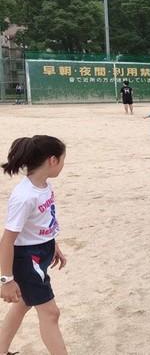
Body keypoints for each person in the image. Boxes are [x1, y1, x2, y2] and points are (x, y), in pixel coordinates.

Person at [0, 136, 68, 355]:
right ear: (52, 160)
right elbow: (7, 240)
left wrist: (52, 243)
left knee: (23, 304)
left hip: (42, 251)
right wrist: (7, 280)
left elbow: (43, 219)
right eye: (63, 159)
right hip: (27, 259)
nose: (64, 164)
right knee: (51, 313)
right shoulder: (24, 196)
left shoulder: (44, 186)